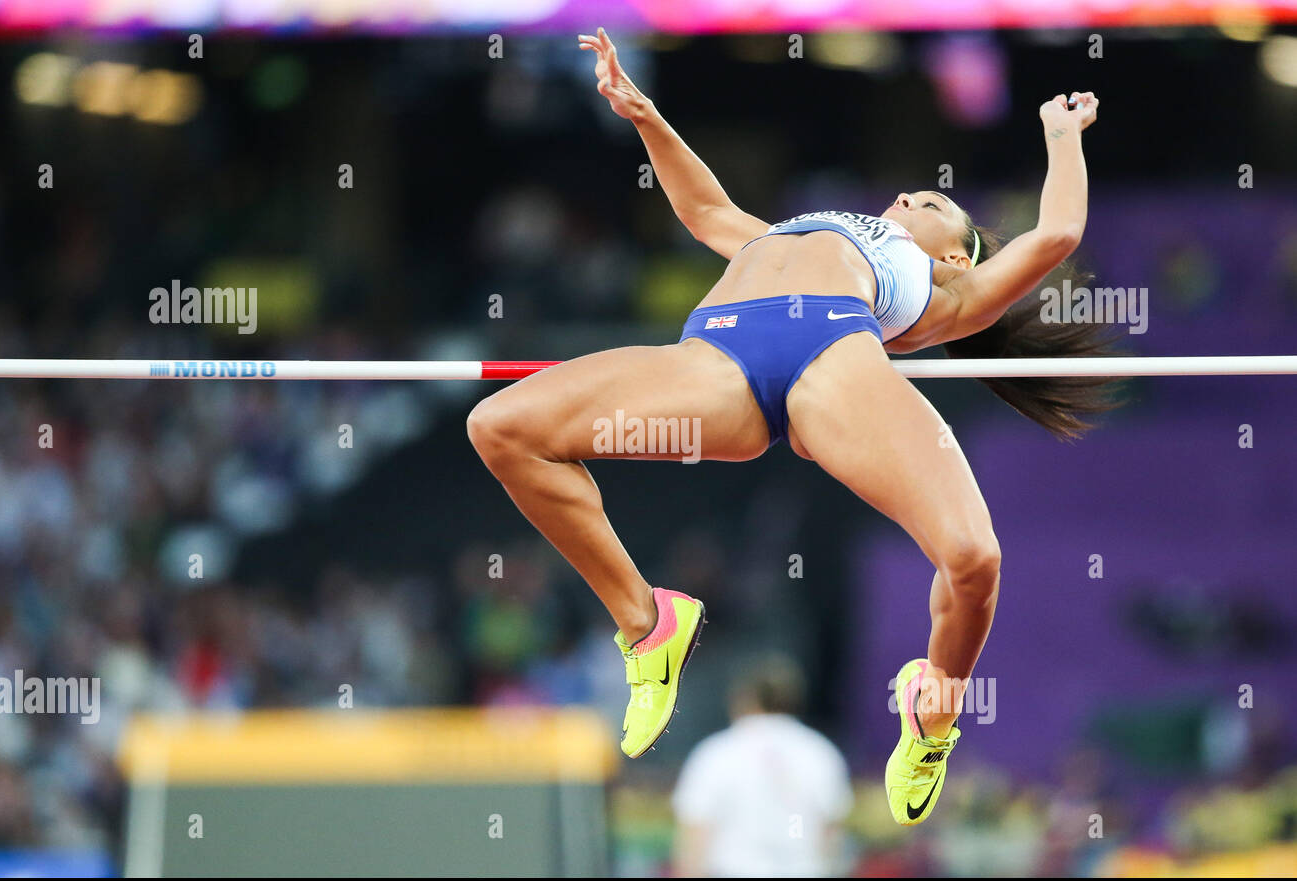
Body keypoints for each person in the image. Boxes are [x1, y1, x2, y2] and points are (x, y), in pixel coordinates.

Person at [467, 28, 1117, 825]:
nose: (914, 195)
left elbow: (1056, 236)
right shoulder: (794, 230)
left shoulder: (947, 293)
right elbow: (707, 211)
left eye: (938, 206)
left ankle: (934, 711)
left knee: (975, 557)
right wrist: (645, 117)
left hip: (831, 364)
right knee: (500, 426)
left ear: (957, 259)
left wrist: (1060, 135)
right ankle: (648, 623)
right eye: (916, 191)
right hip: (714, 364)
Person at [671, 655, 853, 877]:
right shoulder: (820, 753)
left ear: (744, 698)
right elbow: (831, 834)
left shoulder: (717, 753)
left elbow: (696, 833)